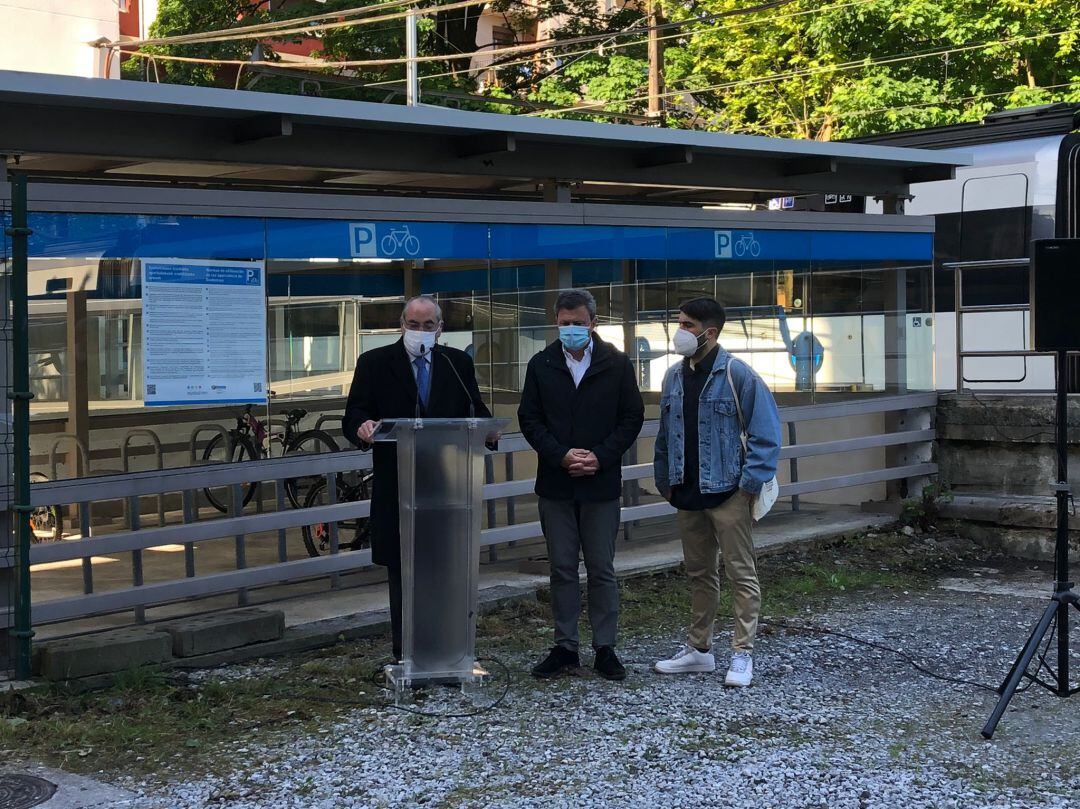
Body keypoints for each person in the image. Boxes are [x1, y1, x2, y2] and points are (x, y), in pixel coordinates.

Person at [342, 295, 492, 661]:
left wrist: (489, 429)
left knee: (444, 570)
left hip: (446, 486)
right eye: (413, 324)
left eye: (428, 325)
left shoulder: (456, 363)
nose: (420, 331)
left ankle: (446, 653)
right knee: (403, 571)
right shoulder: (375, 363)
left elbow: (475, 408)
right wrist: (362, 426)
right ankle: (406, 655)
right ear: (401, 325)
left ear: (440, 329)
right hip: (399, 486)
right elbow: (354, 413)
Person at [652, 297, 781, 687]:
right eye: (679, 322)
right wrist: (665, 482)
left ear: (709, 332)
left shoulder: (738, 375)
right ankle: (699, 649)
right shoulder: (673, 376)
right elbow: (664, 434)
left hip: (728, 492)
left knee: (741, 572)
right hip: (687, 492)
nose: (679, 331)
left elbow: (766, 434)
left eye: (687, 325)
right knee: (699, 573)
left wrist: (748, 487)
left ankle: (743, 653)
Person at [518, 289, 645, 681]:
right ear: (556, 321)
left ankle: (605, 647)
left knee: (601, 567)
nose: (571, 328)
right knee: (561, 568)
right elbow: (530, 419)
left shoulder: (616, 363)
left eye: (578, 322)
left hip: (600, 483)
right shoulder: (541, 364)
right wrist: (560, 455)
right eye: (564, 322)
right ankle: (565, 646)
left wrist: (600, 456)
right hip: (556, 483)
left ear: (593, 322)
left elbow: (631, 417)